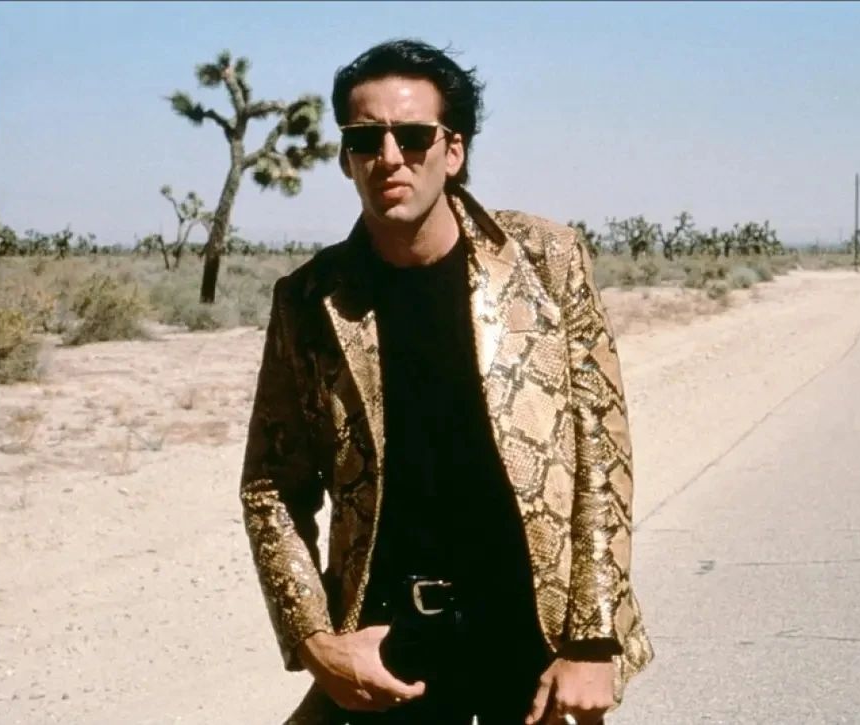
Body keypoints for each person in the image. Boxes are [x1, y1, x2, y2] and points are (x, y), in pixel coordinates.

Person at [239, 38, 652, 725]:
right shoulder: (310, 301)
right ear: (345, 156)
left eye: (412, 136)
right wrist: (315, 642)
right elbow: (271, 485)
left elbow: (599, 453)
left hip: (534, 644)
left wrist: (593, 639)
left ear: (452, 150)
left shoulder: (546, 262)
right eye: (365, 138)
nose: (389, 157)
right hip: (386, 649)